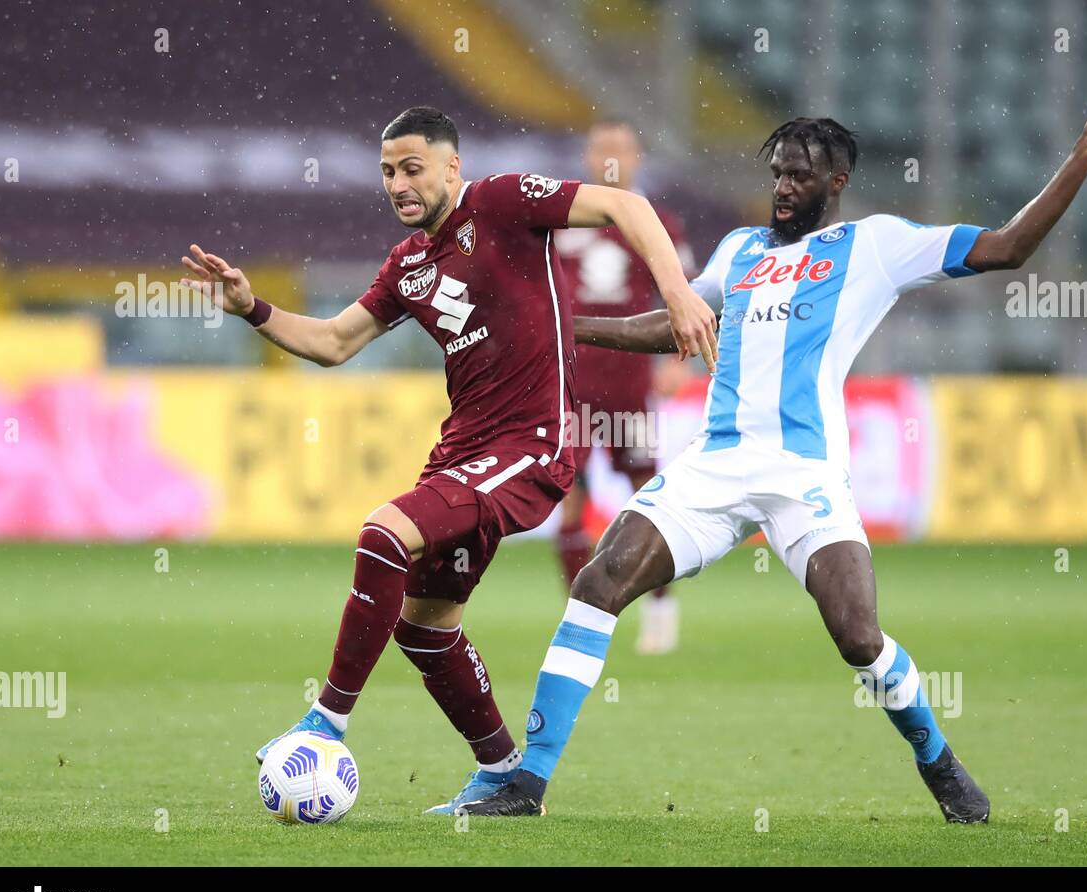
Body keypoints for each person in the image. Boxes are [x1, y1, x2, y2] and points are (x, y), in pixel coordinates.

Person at [460, 95, 1087, 821]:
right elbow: (674, 327)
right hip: (715, 464)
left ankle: (938, 762)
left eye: (799, 176)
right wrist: (563, 330)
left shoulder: (876, 245)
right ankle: (527, 784)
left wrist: (1084, 155)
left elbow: (1008, 246)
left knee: (858, 634)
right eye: (777, 174)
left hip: (804, 476)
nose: (783, 188)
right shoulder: (739, 251)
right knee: (599, 581)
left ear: (837, 183)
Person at [178, 106, 716, 814]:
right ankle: (501, 773)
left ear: (450, 167)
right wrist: (254, 308)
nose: (398, 184)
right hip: (465, 451)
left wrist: (678, 293)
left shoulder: (500, 203)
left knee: (382, 533)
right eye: (387, 172)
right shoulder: (408, 265)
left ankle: (327, 722)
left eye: (412, 168)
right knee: (425, 628)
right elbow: (335, 342)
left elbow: (623, 202)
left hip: (533, 443)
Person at [552, 118, 696, 654]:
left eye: (621, 149)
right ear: (588, 156)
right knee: (566, 492)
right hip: (569, 382)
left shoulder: (658, 223)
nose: (611, 158)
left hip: (630, 381)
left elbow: (684, 290)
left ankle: (660, 606)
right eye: (602, 149)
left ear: (637, 157)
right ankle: (583, 619)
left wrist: (680, 355)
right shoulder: (561, 217)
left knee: (645, 498)